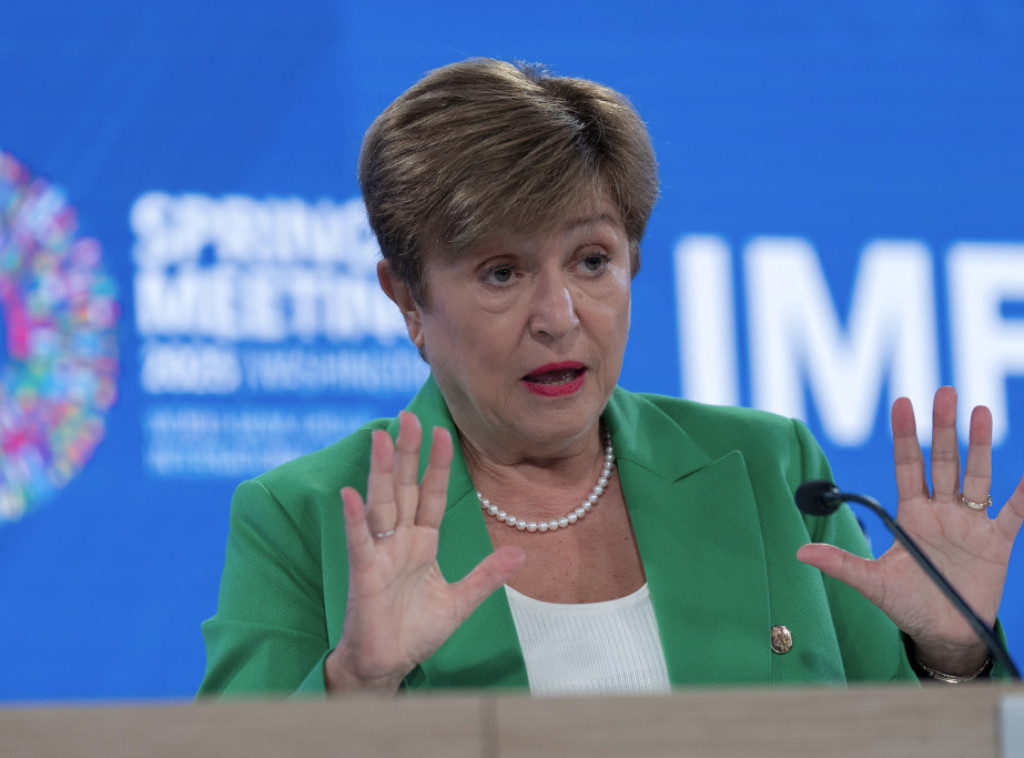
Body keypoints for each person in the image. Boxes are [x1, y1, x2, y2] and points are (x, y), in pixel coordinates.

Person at [198, 58, 1022, 697]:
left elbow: (904, 735)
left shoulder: (771, 471)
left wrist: (953, 658)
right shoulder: (305, 517)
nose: (558, 315)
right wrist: (355, 689)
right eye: (501, 272)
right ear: (408, 297)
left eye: (591, 260)